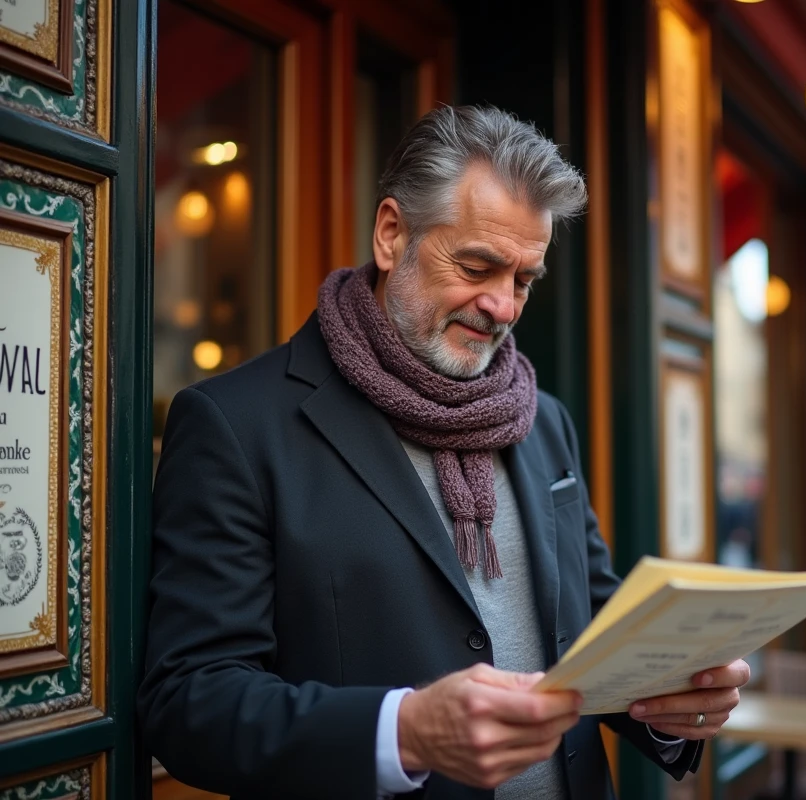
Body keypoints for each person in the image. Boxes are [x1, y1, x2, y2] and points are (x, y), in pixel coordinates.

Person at [138, 106, 749, 799]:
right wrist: (404, 732)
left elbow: (587, 630)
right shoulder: (235, 425)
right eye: (478, 266)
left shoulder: (544, 420)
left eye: (523, 279)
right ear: (392, 233)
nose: (503, 306)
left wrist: (672, 696)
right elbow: (189, 702)